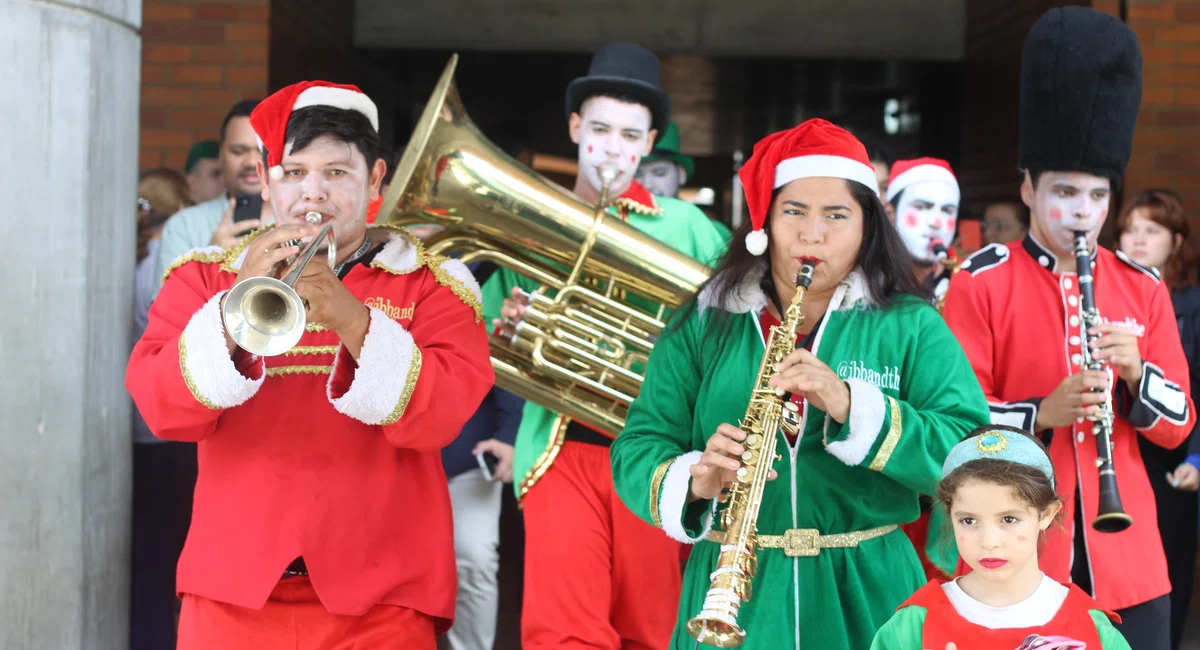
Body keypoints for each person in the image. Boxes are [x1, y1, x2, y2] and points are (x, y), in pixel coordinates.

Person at [125, 80, 494, 649]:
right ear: (268, 181)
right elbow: (162, 410)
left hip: (380, 601)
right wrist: (231, 308)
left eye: (337, 173)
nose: (312, 194)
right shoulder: (201, 279)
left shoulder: (434, 286)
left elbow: (440, 418)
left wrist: (351, 318)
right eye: (293, 173)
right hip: (230, 596)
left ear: (374, 181)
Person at [609, 117, 992, 650]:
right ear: (764, 222)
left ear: (866, 228)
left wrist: (854, 407)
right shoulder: (705, 320)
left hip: (869, 594)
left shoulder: (911, 323)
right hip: (733, 591)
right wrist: (694, 477)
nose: (813, 233)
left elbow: (972, 454)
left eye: (836, 215)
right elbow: (638, 445)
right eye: (793, 211)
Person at [941, 8, 1196, 649]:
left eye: (1097, 196)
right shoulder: (980, 279)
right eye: (1063, 193)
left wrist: (1137, 373)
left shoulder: (1142, 284)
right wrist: (1039, 413)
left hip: (1130, 557)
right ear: (1027, 188)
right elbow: (952, 420)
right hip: (1016, 551)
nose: (1082, 213)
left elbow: (1181, 423)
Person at [484, 42, 730, 650]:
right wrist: (509, 327)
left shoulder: (690, 227)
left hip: (658, 453)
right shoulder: (537, 217)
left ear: (649, 144)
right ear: (574, 129)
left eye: (628, 134)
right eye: (599, 129)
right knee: (561, 631)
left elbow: (734, 333)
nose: (612, 148)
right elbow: (485, 328)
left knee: (653, 627)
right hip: (561, 448)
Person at [871, 426, 1131, 649]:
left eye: (1009, 519)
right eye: (968, 520)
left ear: (1047, 514)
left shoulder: (1090, 626)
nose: (989, 541)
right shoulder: (914, 624)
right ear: (949, 514)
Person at [1116, 188, 1200, 650]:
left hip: (1176, 455)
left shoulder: (1193, 304)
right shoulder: (1109, 293)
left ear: (1177, 240)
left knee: (1168, 568)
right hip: (1119, 449)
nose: (1138, 240)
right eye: (1129, 230)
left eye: (1152, 230)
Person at [130, 168, 195, 650]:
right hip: (162, 435)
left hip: (146, 429)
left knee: (152, 552)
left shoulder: (136, 258)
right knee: (162, 551)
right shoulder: (157, 264)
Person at [153, 98, 269, 296]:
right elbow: (167, 317)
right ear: (221, 156)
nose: (251, 161)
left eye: (261, 151)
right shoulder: (184, 225)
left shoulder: (299, 220)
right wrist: (209, 260)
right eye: (238, 151)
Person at [886, 157, 961, 311]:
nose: (936, 222)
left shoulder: (969, 280)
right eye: (922, 207)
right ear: (890, 214)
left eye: (947, 211)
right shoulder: (863, 279)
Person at [635, 121, 693, 199]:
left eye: (659, 173)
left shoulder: (692, 211)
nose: (647, 185)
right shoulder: (617, 210)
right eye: (637, 175)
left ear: (681, 174)